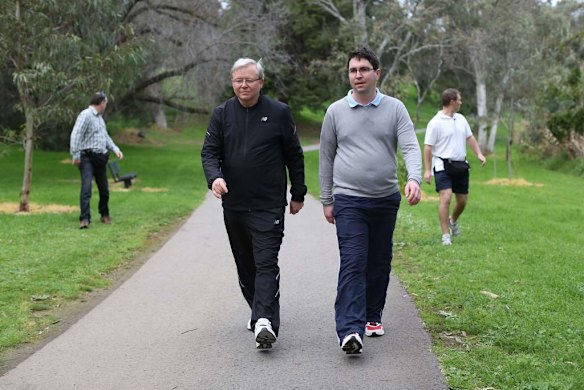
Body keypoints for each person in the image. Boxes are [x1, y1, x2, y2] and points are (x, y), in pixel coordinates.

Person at [319, 47, 422, 355]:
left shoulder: (395, 108)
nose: (358, 75)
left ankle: (372, 316)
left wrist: (414, 178)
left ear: (377, 73)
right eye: (353, 70)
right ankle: (350, 329)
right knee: (353, 262)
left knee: (378, 261)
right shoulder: (335, 111)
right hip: (349, 200)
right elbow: (326, 157)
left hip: (385, 200)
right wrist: (327, 198)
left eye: (364, 69)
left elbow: (410, 147)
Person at [201, 58, 307, 350]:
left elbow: (294, 155)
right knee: (245, 264)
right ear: (232, 82)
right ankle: (257, 309)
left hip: (268, 204)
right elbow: (209, 153)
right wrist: (215, 179)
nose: (244, 85)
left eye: (249, 80)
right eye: (238, 80)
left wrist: (298, 193)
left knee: (265, 261)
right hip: (234, 205)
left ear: (261, 82)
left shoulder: (278, 113)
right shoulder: (222, 114)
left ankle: (264, 321)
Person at [423, 88, 486, 246]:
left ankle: (453, 221)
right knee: (446, 197)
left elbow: (470, 138)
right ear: (452, 101)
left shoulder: (461, 119)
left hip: (460, 165)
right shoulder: (435, 123)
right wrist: (427, 170)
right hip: (442, 165)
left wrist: (479, 154)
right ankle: (445, 236)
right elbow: (428, 147)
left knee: (462, 201)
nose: (461, 102)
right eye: (459, 99)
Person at [70, 91, 123, 229]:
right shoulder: (85, 115)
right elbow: (75, 135)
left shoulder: (100, 118)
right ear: (101, 103)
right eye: (105, 102)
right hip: (87, 157)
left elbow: (105, 137)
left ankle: (104, 214)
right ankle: (84, 219)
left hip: (100, 159)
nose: (106, 105)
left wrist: (115, 148)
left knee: (104, 190)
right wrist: (75, 156)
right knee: (86, 188)